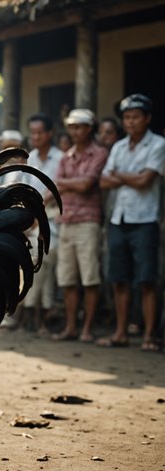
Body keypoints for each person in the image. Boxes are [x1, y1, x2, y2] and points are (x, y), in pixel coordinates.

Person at [99, 94, 165, 351]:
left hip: (145, 219)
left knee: (147, 280)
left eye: (135, 116)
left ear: (147, 118)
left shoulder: (158, 144)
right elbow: (104, 182)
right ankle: (120, 332)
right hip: (119, 218)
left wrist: (120, 176)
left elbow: (145, 181)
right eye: (126, 117)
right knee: (119, 279)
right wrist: (131, 176)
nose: (130, 121)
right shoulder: (118, 147)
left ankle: (149, 335)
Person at [52, 109, 108, 343]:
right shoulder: (67, 156)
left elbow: (87, 184)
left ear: (89, 128)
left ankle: (86, 328)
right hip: (67, 221)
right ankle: (71, 327)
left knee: (90, 278)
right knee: (67, 279)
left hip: (88, 222)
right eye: (72, 127)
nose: (75, 131)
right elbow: (56, 187)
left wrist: (65, 183)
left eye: (80, 127)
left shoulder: (100, 153)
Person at [16, 113, 64, 334]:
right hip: (32, 219)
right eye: (32, 132)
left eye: (39, 132)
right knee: (33, 263)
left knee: (44, 262)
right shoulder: (31, 158)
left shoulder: (61, 157)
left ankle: (36, 314)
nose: (34, 136)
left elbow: (54, 190)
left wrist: (37, 217)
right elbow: (25, 189)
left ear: (49, 134)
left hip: (53, 219)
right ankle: (33, 314)